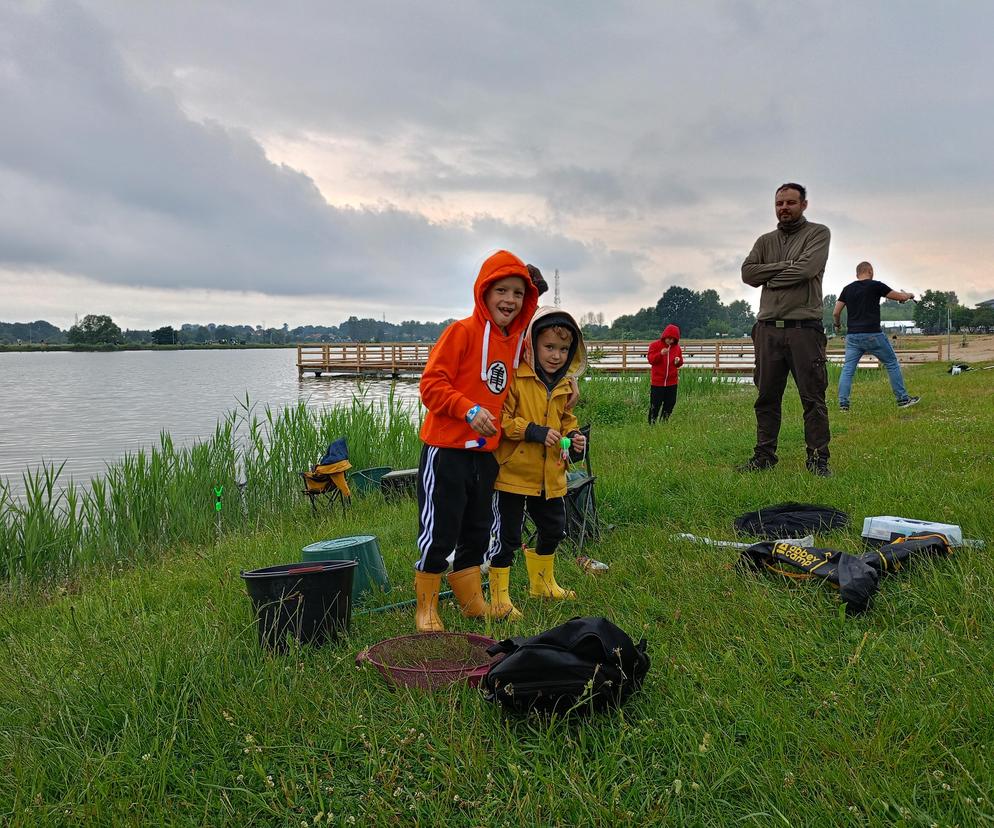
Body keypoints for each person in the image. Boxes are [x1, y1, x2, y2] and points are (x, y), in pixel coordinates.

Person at [413, 250, 539, 632]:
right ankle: (426, 608)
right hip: (446, 451)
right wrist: (468, 411)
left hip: (486, 455)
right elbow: (430, 386)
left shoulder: (517, 342)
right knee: (440, 530)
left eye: (518, 293)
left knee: (478, 529)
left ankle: (471, 602)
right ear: (484, 293)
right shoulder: (461, 332)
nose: (509, 300)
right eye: (501, 290)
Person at [485, 307, 587, 618]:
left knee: (554, 527)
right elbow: (501, 421)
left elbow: (566, 421)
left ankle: (541, 584)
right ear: (531, 345)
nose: (556, 356)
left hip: (550, 474)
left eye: (563, 349)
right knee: (508, 537)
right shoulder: (516, 378)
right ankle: (499, 597)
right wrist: (532, 431)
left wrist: (575, 438)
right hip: (513, 473)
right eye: (549, 347)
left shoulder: (564, 385)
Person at [741, 182, 833, 476]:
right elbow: (747, 273)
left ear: (804, 204)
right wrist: (785, 265)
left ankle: (818, 459)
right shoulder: (764, 240)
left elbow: (807, 269)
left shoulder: (818, 233)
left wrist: (770, 275)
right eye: (779, 203)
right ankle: (764, 455)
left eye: (791, 203)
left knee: (813, 397)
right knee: (766, 396)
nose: (784, 208)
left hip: (804, 329)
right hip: (767, 329)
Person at [833, 262, 920, 411]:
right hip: (872, 334)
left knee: (848, 369)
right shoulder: (875, 285)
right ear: (870, 271)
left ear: (857, 274)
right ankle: (903, 400)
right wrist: (909, 295)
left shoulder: (847, 289)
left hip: (853, 336)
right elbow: (899, 296)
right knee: (891, 363)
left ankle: (843, 405)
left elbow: (836, 312)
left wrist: (837, 325)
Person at [646, 323, 683, 422]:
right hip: (658, 382)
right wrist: (660, 354)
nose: (670, 341)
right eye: (668, 338)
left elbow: (680, 362)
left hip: (672, 382)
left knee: (670, 403)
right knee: (655, 404)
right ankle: (651, 424)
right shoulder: (654, 345)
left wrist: (678, 362)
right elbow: (651, 360)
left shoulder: (677, 348)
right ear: (664, 336)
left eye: (673, 339)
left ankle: (664, 422)